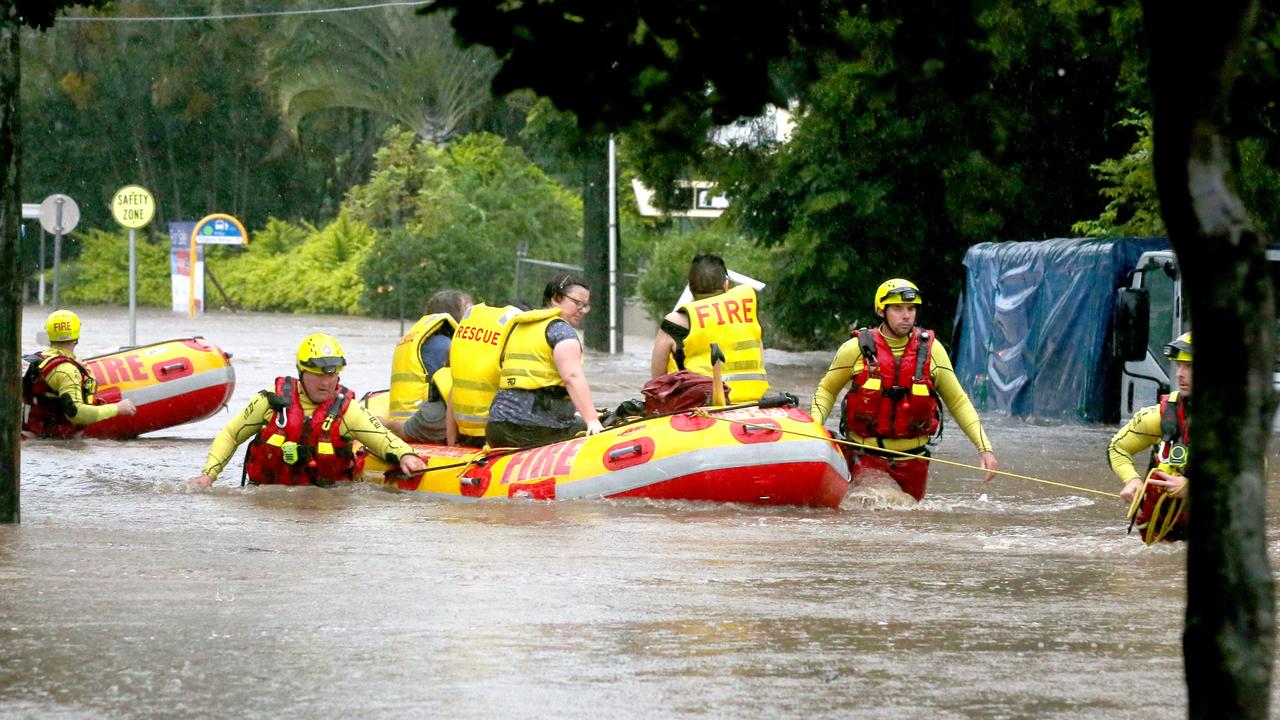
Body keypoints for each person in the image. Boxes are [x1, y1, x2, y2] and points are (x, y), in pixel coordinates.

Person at [810, 278, 998, 501]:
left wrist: (984, 448)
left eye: (910, 308)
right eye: (898, 309)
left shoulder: (932, 351)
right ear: (881, 311)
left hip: (914, 462)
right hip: (866, 458)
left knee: (907, 521)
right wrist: (814, 432)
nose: (906, 315)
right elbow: (827, 390)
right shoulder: (855, 349)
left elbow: (958, 401)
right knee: (878, 506)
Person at [190, 333, 425, 487]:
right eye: (318, 375)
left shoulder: (348, 411)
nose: (325, 383)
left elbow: (383, 439)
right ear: (301, 372)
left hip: (325, 504)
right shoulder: (271, 401)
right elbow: (231, 435)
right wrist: (209, 475)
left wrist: (405, 454)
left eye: (331, 375)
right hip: (269, 505)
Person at [486, 274, 603, 448]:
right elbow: (571, 377)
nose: (583, 310)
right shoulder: (561, 331)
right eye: (578, 303)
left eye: (586, 306)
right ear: (556, 298)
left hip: (497, 427)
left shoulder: (516, 328)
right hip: (536, 429)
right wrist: (592, 420)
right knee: (601, 425)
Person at [649, 254, 769, 403]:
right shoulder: (745, 314)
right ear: (726, 285)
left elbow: (658, 381)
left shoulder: (676, 323)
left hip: (700, 406)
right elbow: (761, 358)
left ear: (690, 288)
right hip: (753, 404)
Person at [1107, 332, 1192, 542]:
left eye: (1189, 367)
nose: (1180, 374)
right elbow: (1117, 448)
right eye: (1179, 365)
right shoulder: (1161, 416)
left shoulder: (1235, 426)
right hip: (1164, 539)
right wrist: (1132, 480)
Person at [21, 309, 137, 438]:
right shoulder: (67, 370)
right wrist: (117, 408)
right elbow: (76, 413)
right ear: (77, 337)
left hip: (32, 437)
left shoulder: (39, 360)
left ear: (49, 335)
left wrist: (75, 366)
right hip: (55, 444)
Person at [385, 289, 472, 443]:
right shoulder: (443, 346)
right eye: (468, 311)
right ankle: (384, 424)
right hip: (421, 421)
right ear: (453, 314)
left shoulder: (425, 340)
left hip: (408, 414)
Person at [446, 301, 525, 447]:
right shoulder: (515, 335)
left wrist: (451, 442)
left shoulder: (470, 327)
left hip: (464, 433)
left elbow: (454, 390)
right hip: (494, 435)